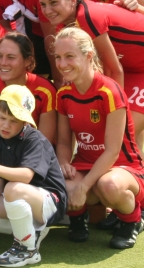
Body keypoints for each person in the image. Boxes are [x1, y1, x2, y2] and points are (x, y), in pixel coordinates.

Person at [54, 27, 144, 249]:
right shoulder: (63, 94)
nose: (62, 64)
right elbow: (65, 142)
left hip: (123, 167)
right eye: (58, 57)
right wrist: (64, 163)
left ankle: (132, 220)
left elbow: (113, 151)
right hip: (86, 164)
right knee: (61, 185)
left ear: (88, 56)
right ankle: (78, 219)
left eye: (69, 56)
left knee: (109, 185)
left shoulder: (109, 91)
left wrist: (84, 186)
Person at [0, 85, 67, 265]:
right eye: (2, 118)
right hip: (18, 199)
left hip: (49, 203)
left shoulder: (36, 139)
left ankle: (28, 249)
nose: (6, 125)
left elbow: (26, 176)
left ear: (25, 122)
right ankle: (30, 232)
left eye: (14, 121)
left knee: (13, 187)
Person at [38, 0, 144, 148]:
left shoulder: (86, 16)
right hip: (132, 67)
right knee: (128, 138)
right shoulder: (65, 25)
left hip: (134, 69)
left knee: (120, 133)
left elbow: (113, 70)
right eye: (43, 5)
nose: (47, 10)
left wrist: (109, 112)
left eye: (53, 2)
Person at [0, 32, 57, 146]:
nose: (3, 63)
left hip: (36, 156)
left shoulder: (45, 91)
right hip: (3, 155)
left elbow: (43, 146)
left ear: (28, 61)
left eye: (11, 57)